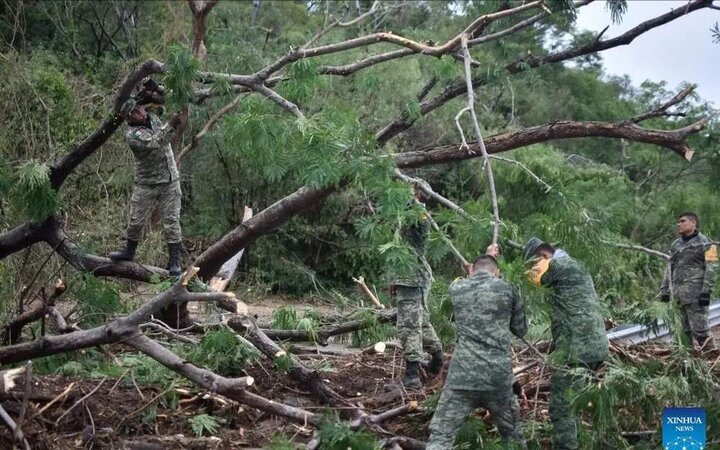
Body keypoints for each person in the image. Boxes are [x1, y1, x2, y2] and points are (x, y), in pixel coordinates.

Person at [426, 255, 527, 450]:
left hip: (462, 377)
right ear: (497, 272)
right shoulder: (509, 289)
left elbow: (467, 283)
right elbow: (520, 330)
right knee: (513, 436)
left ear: (471, 270)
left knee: (441, 436)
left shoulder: (456, 289)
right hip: (497, 378)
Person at [524, 237, 608, 450]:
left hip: (576, 349)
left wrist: (484, 268)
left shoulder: (558, 266)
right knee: (577, 401)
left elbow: (528, 279)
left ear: (543, 256)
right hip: (595, 347)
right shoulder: (577, 263)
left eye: (535, 262)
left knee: (561, 406)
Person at [109, 100, 185, 277]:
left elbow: (161, 101)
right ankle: (129, 251)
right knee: (135, 220)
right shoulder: (133, 135)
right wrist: (171, 124)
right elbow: (155, 142)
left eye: (140, 109)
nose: (141, 113)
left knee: (172, 221)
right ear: (129, 117)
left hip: (170, 181)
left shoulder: (152, 116)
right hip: (147, 183)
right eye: (135, 112)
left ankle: (174, 262)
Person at [390, 187, 443, 389]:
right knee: (420, 322)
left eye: (410, 189)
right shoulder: (407, 215)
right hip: (408, 278)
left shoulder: (418, 214)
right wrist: (394, 279)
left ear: (416, 193)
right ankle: (437, 359)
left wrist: (411, 198)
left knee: (409, 326)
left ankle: (412, 376)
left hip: (414, 278)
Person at [660, 212, 718, 353]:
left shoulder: (706, 243)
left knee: (701, 332)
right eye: (678, 222)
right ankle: (687, 365)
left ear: (693, 223)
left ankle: (714, 362)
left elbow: (712, 267)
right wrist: (665, 289)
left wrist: (706, 291)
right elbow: (669, 267)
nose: (679, 224)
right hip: (678, 297)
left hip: (695, 295)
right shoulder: (676, 244)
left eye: (682, 221)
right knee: (681, 333)